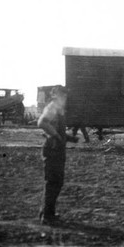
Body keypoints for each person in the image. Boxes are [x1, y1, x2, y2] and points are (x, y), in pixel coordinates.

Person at [37, 85, 78, 225]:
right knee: (52, 182)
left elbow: (56, 130)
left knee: (57, 182)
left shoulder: (58, 109)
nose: (64, 98)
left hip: (58, 150)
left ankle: (49, 213)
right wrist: (56, 136)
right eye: (62, 95)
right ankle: (46, 216)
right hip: (52, 150)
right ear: (55, 95)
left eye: (65, 96)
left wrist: (69, 138)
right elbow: (41, 122)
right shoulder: (52, 107)